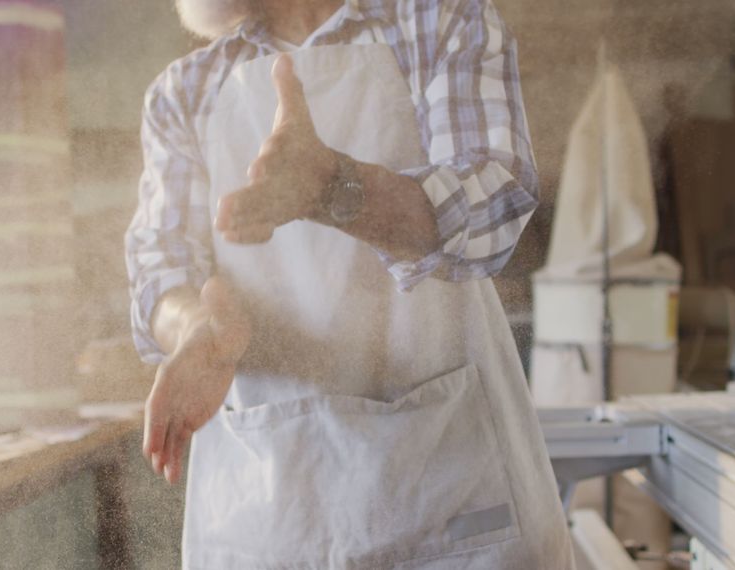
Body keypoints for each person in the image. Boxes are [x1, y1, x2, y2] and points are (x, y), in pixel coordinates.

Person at [125, 0, 575, 567]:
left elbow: (493, 207)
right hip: (270, 509)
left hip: (450, 498)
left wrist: (335, 188)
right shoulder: (184, 92)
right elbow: (159, 265)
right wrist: (197, 329)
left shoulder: (440, 23)